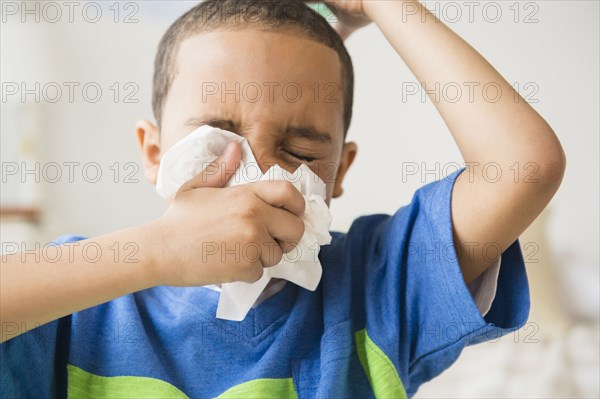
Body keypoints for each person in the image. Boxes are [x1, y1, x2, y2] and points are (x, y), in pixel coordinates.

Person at [0, 0, 566, 397]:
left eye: (299, 149)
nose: (259, 177)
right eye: (216, 138)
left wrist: (385, 4)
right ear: (153, 151)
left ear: (339, 171)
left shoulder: (378, 291)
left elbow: (524, 165)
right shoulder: (78, 299)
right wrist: (157, 251)